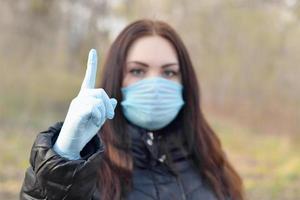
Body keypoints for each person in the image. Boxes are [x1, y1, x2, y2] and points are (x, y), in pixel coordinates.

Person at [20, 19, 244, 200]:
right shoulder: (88, 166)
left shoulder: (210, 162)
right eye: (137, 71)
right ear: (117, 80)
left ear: (185, 83)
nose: (155, 85)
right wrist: (63, 161)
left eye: (169, 73)